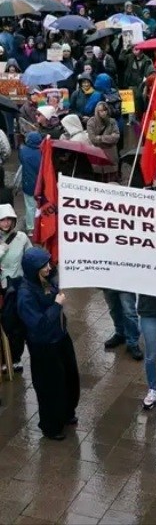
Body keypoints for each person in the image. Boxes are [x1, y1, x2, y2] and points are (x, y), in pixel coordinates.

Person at [18, 247, 80, 440]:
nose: (48, 267)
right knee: (50, 387)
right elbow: (38, 325)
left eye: (48, 263)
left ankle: (67, 412)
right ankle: (51, 426)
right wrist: (56, 305)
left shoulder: (46, 278)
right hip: (44, 346)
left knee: (70, 378)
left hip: (60, 338)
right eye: (43, 265)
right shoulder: (25, 294)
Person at [0, 204, 31, 372]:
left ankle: (15, 358)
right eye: (2, 220)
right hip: (1, 289)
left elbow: (30, 259)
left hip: (17, 287)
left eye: (8, 220)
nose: (5, 223)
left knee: (16, 325)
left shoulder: (21, 237)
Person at [18, 131, 42, 236]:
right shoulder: (43, 152)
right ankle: (40, 226)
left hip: (28, 183)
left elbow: (21, 160)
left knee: (29, 206)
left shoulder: (23, 151)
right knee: (40, 205)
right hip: (40, 184)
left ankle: (31, 228)